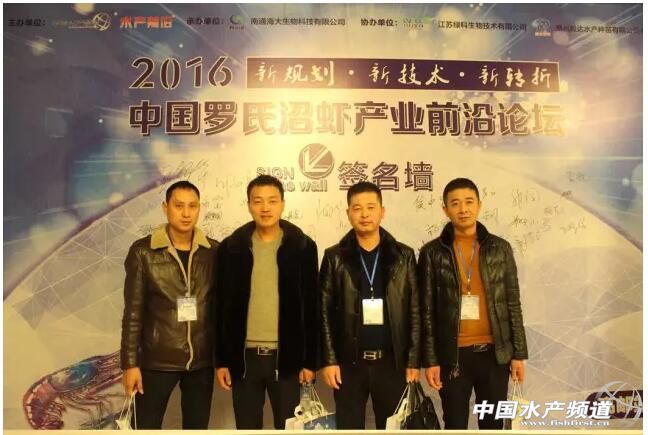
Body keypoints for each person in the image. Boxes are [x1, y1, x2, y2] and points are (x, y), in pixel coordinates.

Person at [418, 177, 528, 429]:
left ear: (479, 205)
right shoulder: (432, 253)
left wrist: (518, 354)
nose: (463, 209)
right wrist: (431, 360)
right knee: (455, 423)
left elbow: (512, 303)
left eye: (469, 202)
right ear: (445, 209)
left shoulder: (500, 249)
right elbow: (426, 310)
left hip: (494, 355)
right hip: (453, 357)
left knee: (493, 423)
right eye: (455, 203)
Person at [214, 174, 319, 429]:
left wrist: (309, 362)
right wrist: (222, 361)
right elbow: (220, 307)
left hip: (287, 359)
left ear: (282, 204)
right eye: (258, 201)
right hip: (244, 360)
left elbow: (312, 306)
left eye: (272, 201)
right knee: (247, 428)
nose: (265, 208)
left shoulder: (303, 247)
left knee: (289, 428)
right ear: (249, 205)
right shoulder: (231, 248)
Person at [320, 181, 420, 429]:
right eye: (357, 208)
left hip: (392, 363)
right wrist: (329, 360)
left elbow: (415, 310)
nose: (364, 214)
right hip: (349, 363)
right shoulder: (334, 257)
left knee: (392, 428)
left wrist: (413, 360)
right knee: (349, 427)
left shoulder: (404, 256)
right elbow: (323, 312)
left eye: (371, 207)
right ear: (348, 213)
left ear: (382, 212)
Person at [120, 180, 218, 429]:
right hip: (157, 360)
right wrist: (130, 364)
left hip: (201, 362)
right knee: (145, 427)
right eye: (179, 206)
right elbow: (133, 313)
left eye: (192, 206)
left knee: (197, 428)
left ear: (199, 208)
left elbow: (221, 309)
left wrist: (223, 358)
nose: (186, 213)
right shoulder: (143, 252)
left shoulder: (214, 251)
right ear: (166, 208)